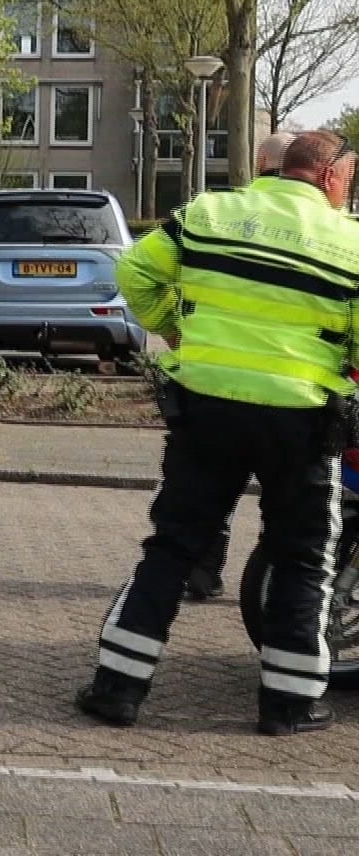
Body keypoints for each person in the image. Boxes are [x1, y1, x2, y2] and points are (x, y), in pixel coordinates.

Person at [78, 130, 359, 737]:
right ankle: (288, 705)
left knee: (174, 547)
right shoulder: (352, 243)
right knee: (305, 558)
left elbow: (133, 272)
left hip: (205, 411)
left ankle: (117, 690)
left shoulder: (207, 212)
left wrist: (176, 331)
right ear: (331, 176)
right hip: (303, 421)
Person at [188, 129, 302, 602]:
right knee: (286, 498)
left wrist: (173, 330)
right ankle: (270, 581)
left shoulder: (223, 214)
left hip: (219, 382)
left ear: (259, 162)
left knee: (213, 490)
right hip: (293, 386)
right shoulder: (322, 221)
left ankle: (203, 568)